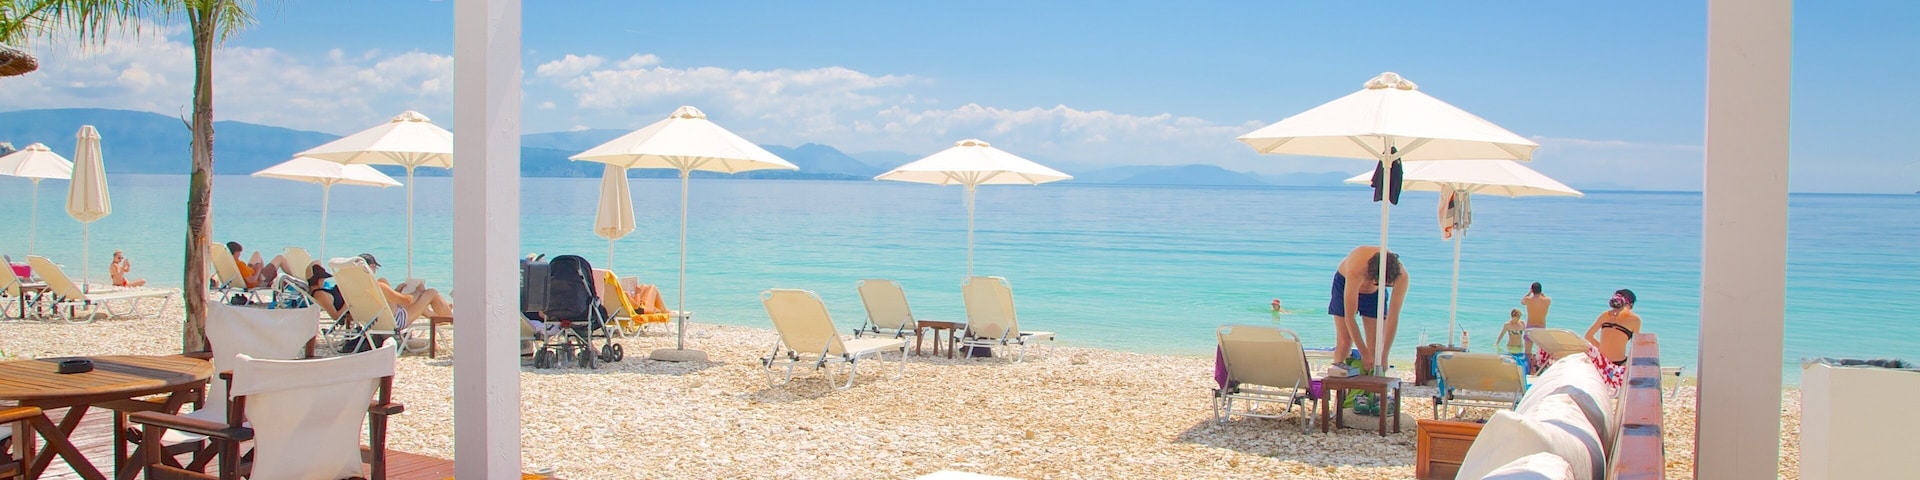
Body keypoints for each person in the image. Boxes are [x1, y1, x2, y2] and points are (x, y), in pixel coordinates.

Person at [1327, 245, 1408, 375]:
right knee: (1345, 342)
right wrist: (1363, 353)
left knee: (1375, 349)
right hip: (1344, 284)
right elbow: (1350, 317)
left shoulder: (1402, 277)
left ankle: (1368, 391)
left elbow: (1393, 317)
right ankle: (1338, 385)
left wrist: (1384, 355)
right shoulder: (1356, 269)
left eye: (1388, 285)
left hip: (1374, 295)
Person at [359, 253, 452, 322]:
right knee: (431, 292)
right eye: (375, 267)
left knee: (422, 304)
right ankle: (450, 319)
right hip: (396, 321)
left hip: (372, 321)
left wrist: (395, 292)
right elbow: (407, 301)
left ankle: (440, 317)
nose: (375, 270)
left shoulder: (355, 287)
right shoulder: (379, 285)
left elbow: (384, 302)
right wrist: (418, 292)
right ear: (372, 266)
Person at [1583, 289, 1641, 389]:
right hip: (1619, 364)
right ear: (1630, 304)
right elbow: (1635, 346)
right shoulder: (1635, 319)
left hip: (1601, 361)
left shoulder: (1605, 315)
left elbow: (1588, 336)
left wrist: (1602, 349)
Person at [1520, 282, 1553, 372]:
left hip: (1530, 326)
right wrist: (1542, 294)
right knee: (1541, 351)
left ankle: (1527, 370)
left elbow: (1522, 302)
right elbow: (1547, 299)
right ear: (1541, 290)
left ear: (1532, 290)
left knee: (1527, 352)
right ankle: (1539, 369)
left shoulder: (1528, 300)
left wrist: (1529, 293)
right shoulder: (1547, 300)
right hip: (1541, 327)